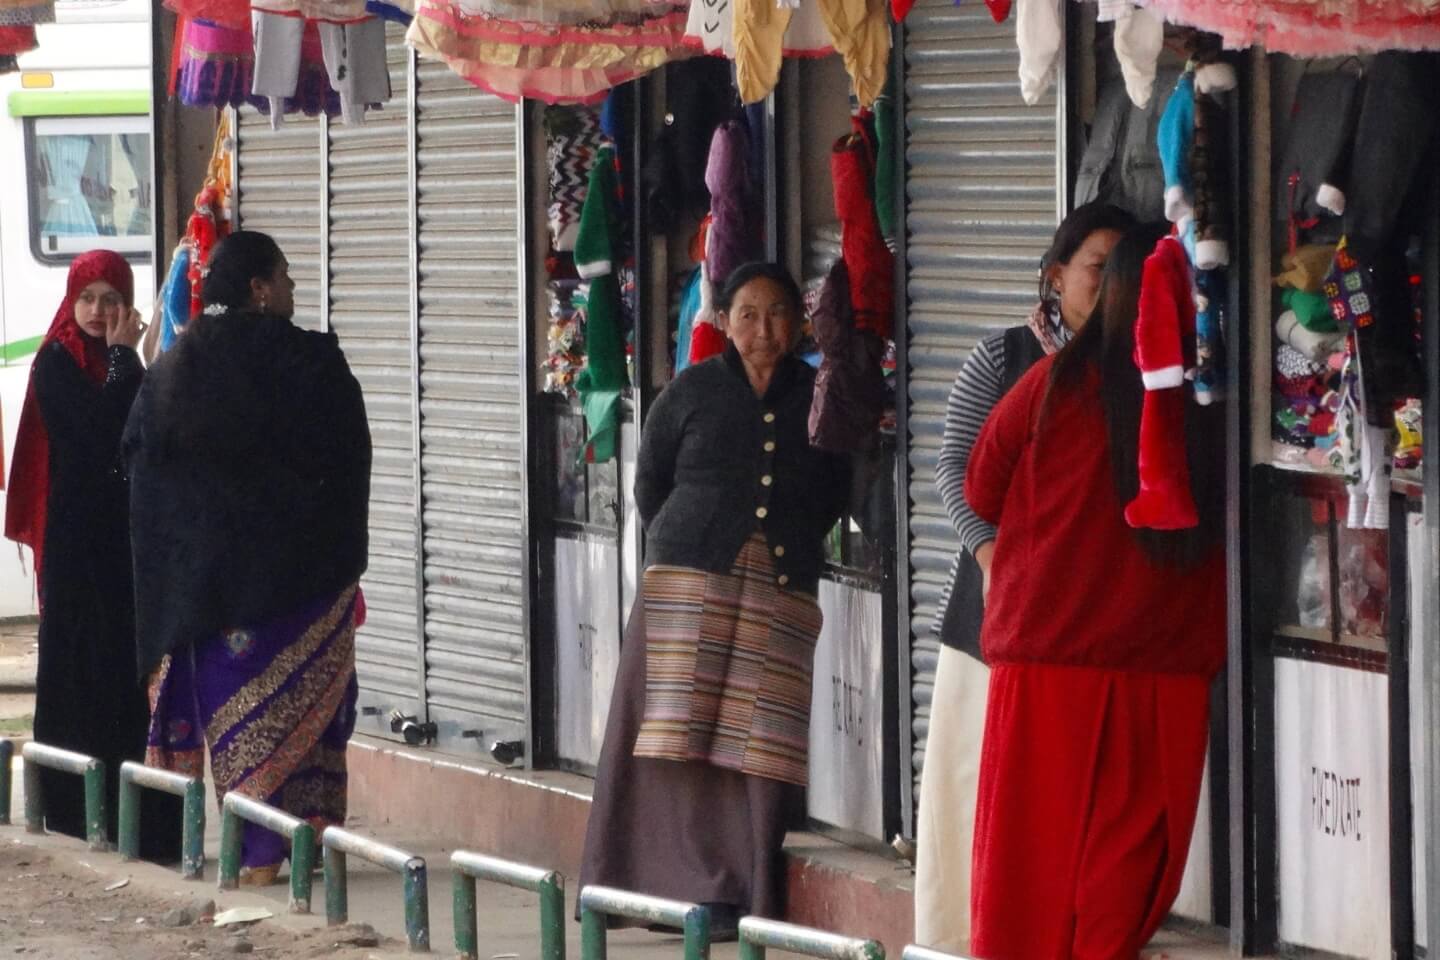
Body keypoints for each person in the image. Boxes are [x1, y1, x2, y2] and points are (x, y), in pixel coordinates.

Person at [964, 224, 1226, 959]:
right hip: (1163, 666)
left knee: (1031, 870)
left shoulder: (1050, 387)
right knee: (1125, 866)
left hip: (1047, 659)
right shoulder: (1210, 405)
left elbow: (980, 486)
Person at [579, 262, 849, 937]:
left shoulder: (819, 393)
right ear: (722, 321)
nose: (764, 329)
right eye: (749, 314)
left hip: (781, 581)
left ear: (801, 322)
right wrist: (692, 544)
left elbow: (839, 487)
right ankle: (657, 885)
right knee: (673, 737)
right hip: (687, 581)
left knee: (758, 742)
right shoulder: (691, 390)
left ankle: (740, 891)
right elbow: (651, 486)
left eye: (780, 313)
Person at [914, 202, 1133, 953]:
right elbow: (953, 469)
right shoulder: (1006, 357)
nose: (1111, 286)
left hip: (1089, 630)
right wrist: (994, 560)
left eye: (1123, 270)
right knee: (976, 800)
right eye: (1098, 268)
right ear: (1056, 275)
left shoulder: (1144, 370)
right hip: (993, 625)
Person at [124, 231, 371, 886]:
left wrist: (175, 568)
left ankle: (256, 852)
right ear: (260, 288)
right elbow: (347, 460)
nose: (291, 288)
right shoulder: (311, 364)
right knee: (306, 722)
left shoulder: (176, 368)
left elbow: (143, 465)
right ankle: (291, 846)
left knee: (238, 721)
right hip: (300, 587)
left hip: (204, 597)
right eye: (285, 276)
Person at [5, 250, 178, 856]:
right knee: (81, 673)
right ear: (71, 303)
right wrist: (128, 359)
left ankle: (143, 826)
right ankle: (76, 816)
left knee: (126, 683)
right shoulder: (56, 361)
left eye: (112, 298)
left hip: (126, 549)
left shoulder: (129, 363)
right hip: (79, 551)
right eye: (89, 298)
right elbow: (97, 432)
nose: (100, 311)